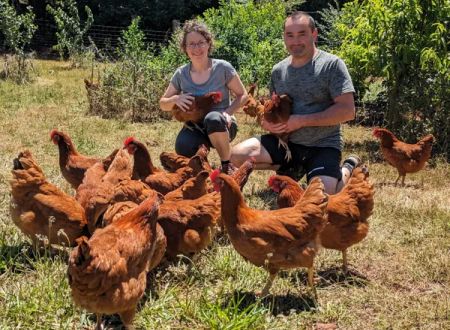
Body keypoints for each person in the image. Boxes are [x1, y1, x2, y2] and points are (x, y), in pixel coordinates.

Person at [231, 11, 359, 194]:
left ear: (314, 34)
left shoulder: (332, 65)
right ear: (284, 37)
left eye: (302, 34)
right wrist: (266, 122)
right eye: (289, 35)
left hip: (322, 144)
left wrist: (302, 120)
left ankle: (347, 169)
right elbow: (270, 109)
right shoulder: (278, 71)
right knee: (237, 155)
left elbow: (348, 111)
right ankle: (292, 168)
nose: (295, 41)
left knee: (324, 195)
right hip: (287, 144)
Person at [159, 20, 248, 175]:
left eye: (201, 42)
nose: (196, 48)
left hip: (223, 124)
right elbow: (162, 103)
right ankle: (203, 167)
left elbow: (243, 95)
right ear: (185, 48)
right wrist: (175, 100)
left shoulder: (222, 68)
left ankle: (227, 164)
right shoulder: (181, 74)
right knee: (183, 145)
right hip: (196, 126)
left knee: (213, 118)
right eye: (191, 44)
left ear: (208, 44)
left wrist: (228, 112)